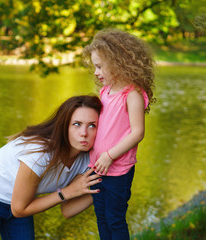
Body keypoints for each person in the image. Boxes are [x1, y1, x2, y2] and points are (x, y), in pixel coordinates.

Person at [0, 95, 103, 240]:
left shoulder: (88, 159)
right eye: (77, 124)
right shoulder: (40, 152)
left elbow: (67, 210)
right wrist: (66, 192)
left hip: (24, 202)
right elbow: (19, 209)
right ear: (64, 125)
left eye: (92, 125)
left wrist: (103, 187)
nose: (84, 133)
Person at [82, 28, 156, 240]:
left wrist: (109, 155)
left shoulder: (132, 95)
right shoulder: (106, 91)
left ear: (117, 62)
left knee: (115, 218)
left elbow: (137, 133)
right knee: (101, 217)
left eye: (99, 66)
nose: (95, 72)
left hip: (117, 170)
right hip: (97, 167)